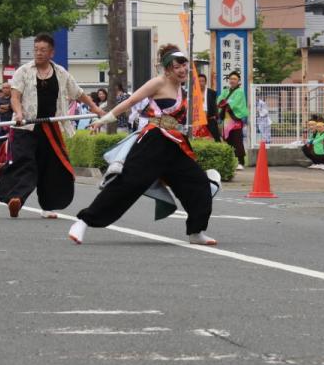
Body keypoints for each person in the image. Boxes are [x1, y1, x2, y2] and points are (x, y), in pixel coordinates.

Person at [70, 44, 218, 246]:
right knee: (127, 184)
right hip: (153, 141)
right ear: (167, 69)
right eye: (177, 67)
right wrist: (102, 120)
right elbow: (129, 103)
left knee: (199, 183)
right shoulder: (157, 83)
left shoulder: (182, 89)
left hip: (175, 145)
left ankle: (196, 231)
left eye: (184, 66)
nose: (183, 70)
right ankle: (84, 221)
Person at [0, 33, 103, 220]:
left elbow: (78, 93)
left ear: (51, 52)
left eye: (43, 50)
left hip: (51, 127)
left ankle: (48, 206)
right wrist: (19, 113)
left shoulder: (61, 73)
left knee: (51, 167)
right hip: (26, 128)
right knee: (25, 164)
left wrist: (94, 107)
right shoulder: (23, 71)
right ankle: (16, 199)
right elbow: (15, 96)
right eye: (36, 49)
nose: (38, 53)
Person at [217, 70, 248, 169]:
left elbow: (235, 103)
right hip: (227, 119)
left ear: (238, 81)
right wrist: (224, 102)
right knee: (228, 139)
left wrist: (226, 102)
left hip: (235, 118)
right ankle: (231, 161)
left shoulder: (240, 91)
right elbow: (219, 100)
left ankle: (241, 162)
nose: (232, 80)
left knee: (237, 139)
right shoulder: (226, 90)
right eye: (231, 79)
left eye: (234, 79)